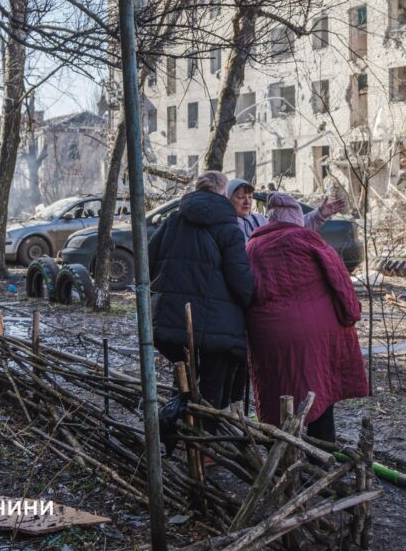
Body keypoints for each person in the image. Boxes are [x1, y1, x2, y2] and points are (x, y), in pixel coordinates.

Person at [245, 192, 367, 442]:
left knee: (278, 392)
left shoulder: (252, 247)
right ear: (297, 217)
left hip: (268, 336)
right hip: (316, 332)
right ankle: (321, 452)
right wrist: (351, 312)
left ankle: (280, 451)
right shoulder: (307, 238)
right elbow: (339, 277)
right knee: (318, 389)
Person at [148, 171, 254, 409]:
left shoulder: (174, 220)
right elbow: (240, 279)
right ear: (224, 193)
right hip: (219, 326)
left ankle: (180, 425)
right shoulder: (229, 229)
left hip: (173, 319)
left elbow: (148, 261)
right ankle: (208, 429)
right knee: (212, 392)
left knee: (183, 383)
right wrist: (252, 301)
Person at [226, 178, 346, 243]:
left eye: (250, 197)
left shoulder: (258, 220)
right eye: (241, 197)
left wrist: (319, 215)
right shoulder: (225, 226)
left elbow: (291, 227)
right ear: (227, 199)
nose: (247, 202)